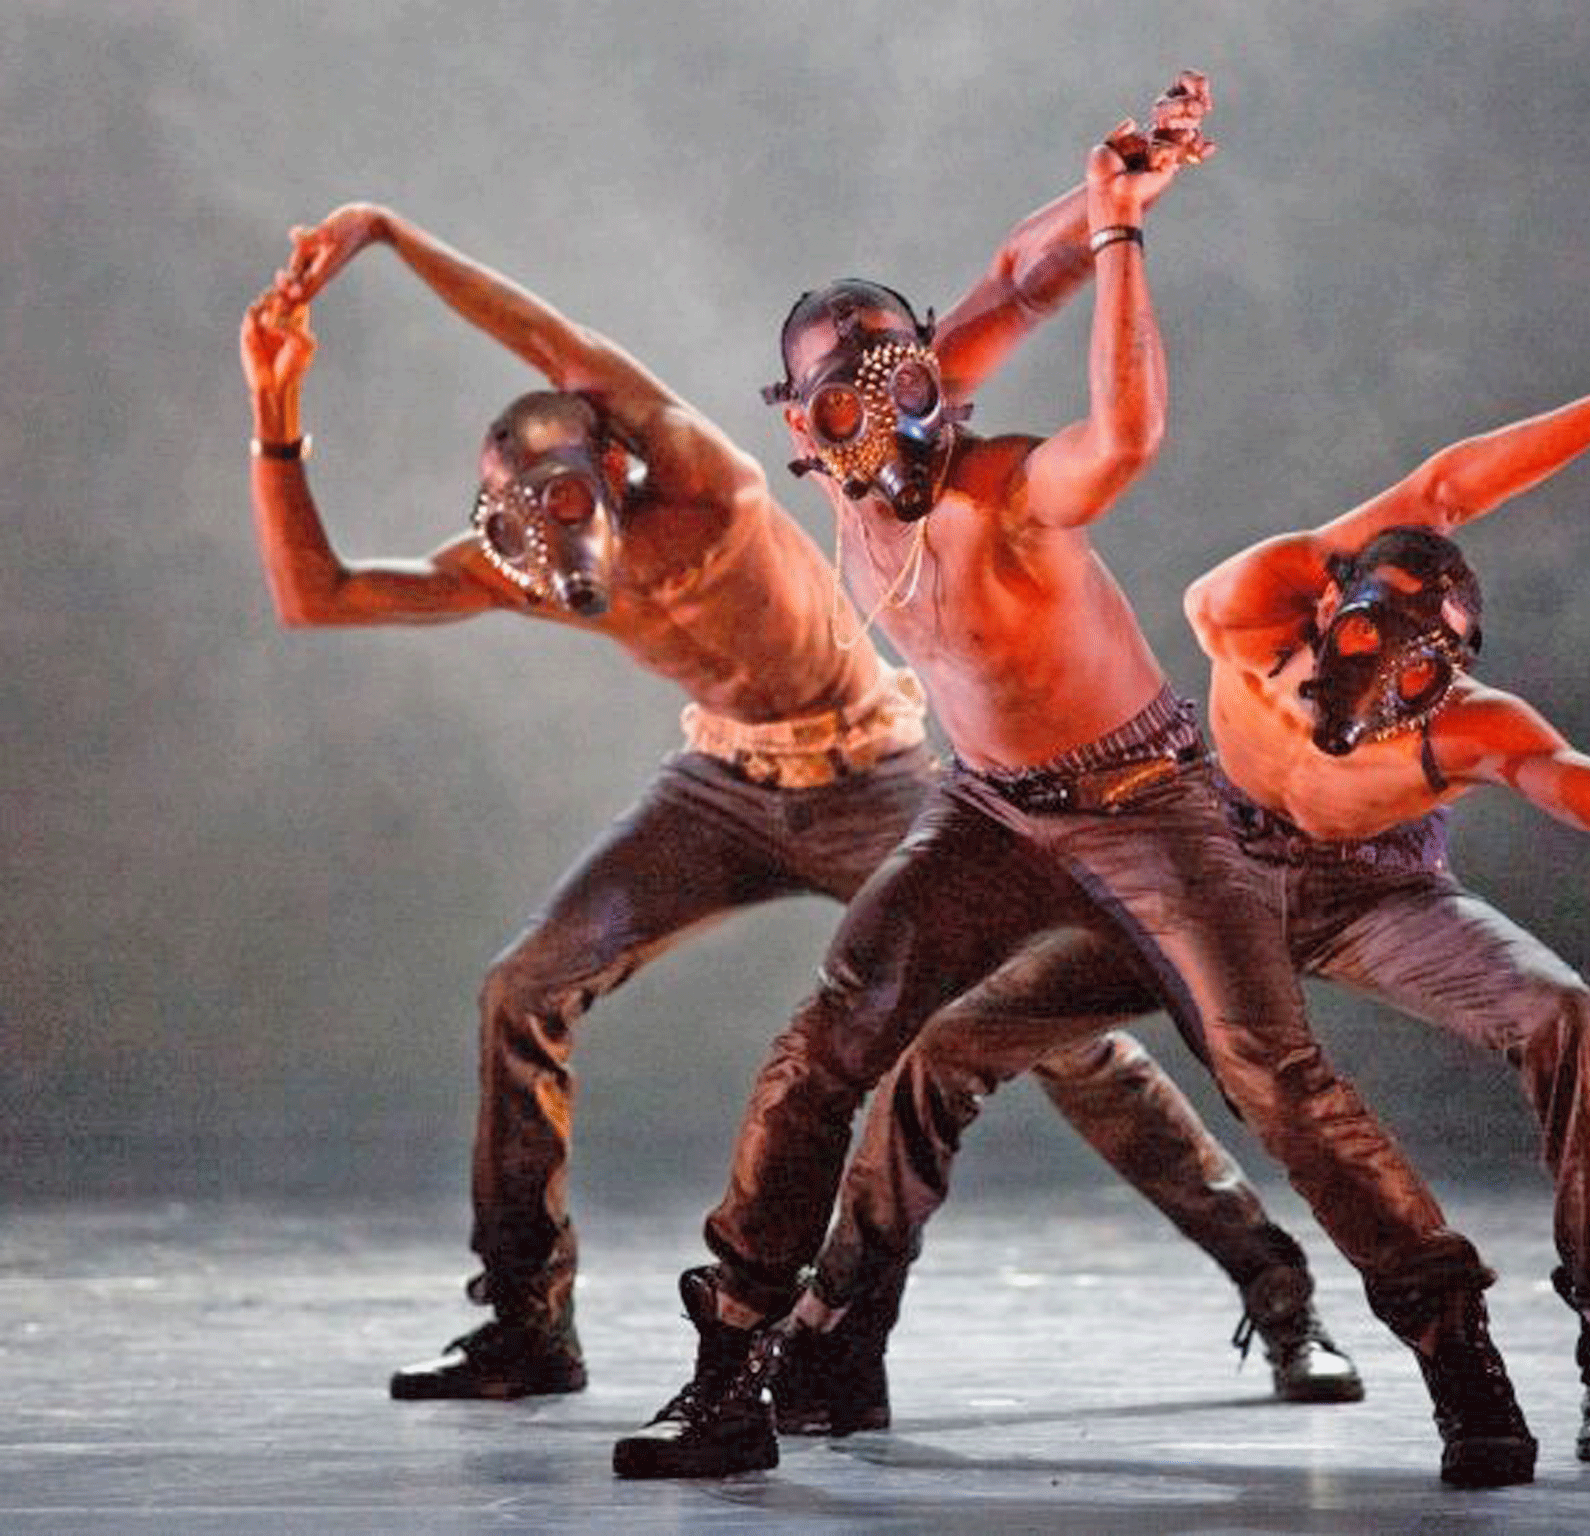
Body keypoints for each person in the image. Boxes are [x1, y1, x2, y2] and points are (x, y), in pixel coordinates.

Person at [238, 73, 1355, 1409]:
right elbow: (318, 595)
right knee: (524, 988)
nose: (562, 560)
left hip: (873, 777)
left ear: (622, 464)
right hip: (720, 785)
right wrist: (276, 413)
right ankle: (528, 1321)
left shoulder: (701, 478)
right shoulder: (519, 566)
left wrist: (390, 235)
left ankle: (1275, 1284)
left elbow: (554, 335)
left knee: (1048, 1038)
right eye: (533, 537)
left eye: (579, 511)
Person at [613, 99, 1539, 1491]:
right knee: (833, 1037)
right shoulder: (850, 481)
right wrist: (1093, 198)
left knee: (1271, 1076)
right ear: (804, 431)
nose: (893, 414)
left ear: (933, 374)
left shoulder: (997, 488)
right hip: (987, 812)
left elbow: (1123, 427)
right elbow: (1010, 267)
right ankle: (737, 1365)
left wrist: (1118, 221)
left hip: (1153, 800)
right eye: (849, 402)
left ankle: (1461, 1356)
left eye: (906, 376)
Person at [794, 373, 1590, 1467]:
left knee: (1557, 1011)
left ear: (1447, 679)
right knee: (942, 1051)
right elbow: (1442, 488)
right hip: (1202, 870)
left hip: (1373, 895)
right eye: (1365, 641)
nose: (1374, 684)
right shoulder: (1247, 609)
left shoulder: (1466, 729)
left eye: (1413, 673)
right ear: (1326, 605)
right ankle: (839, 1330)